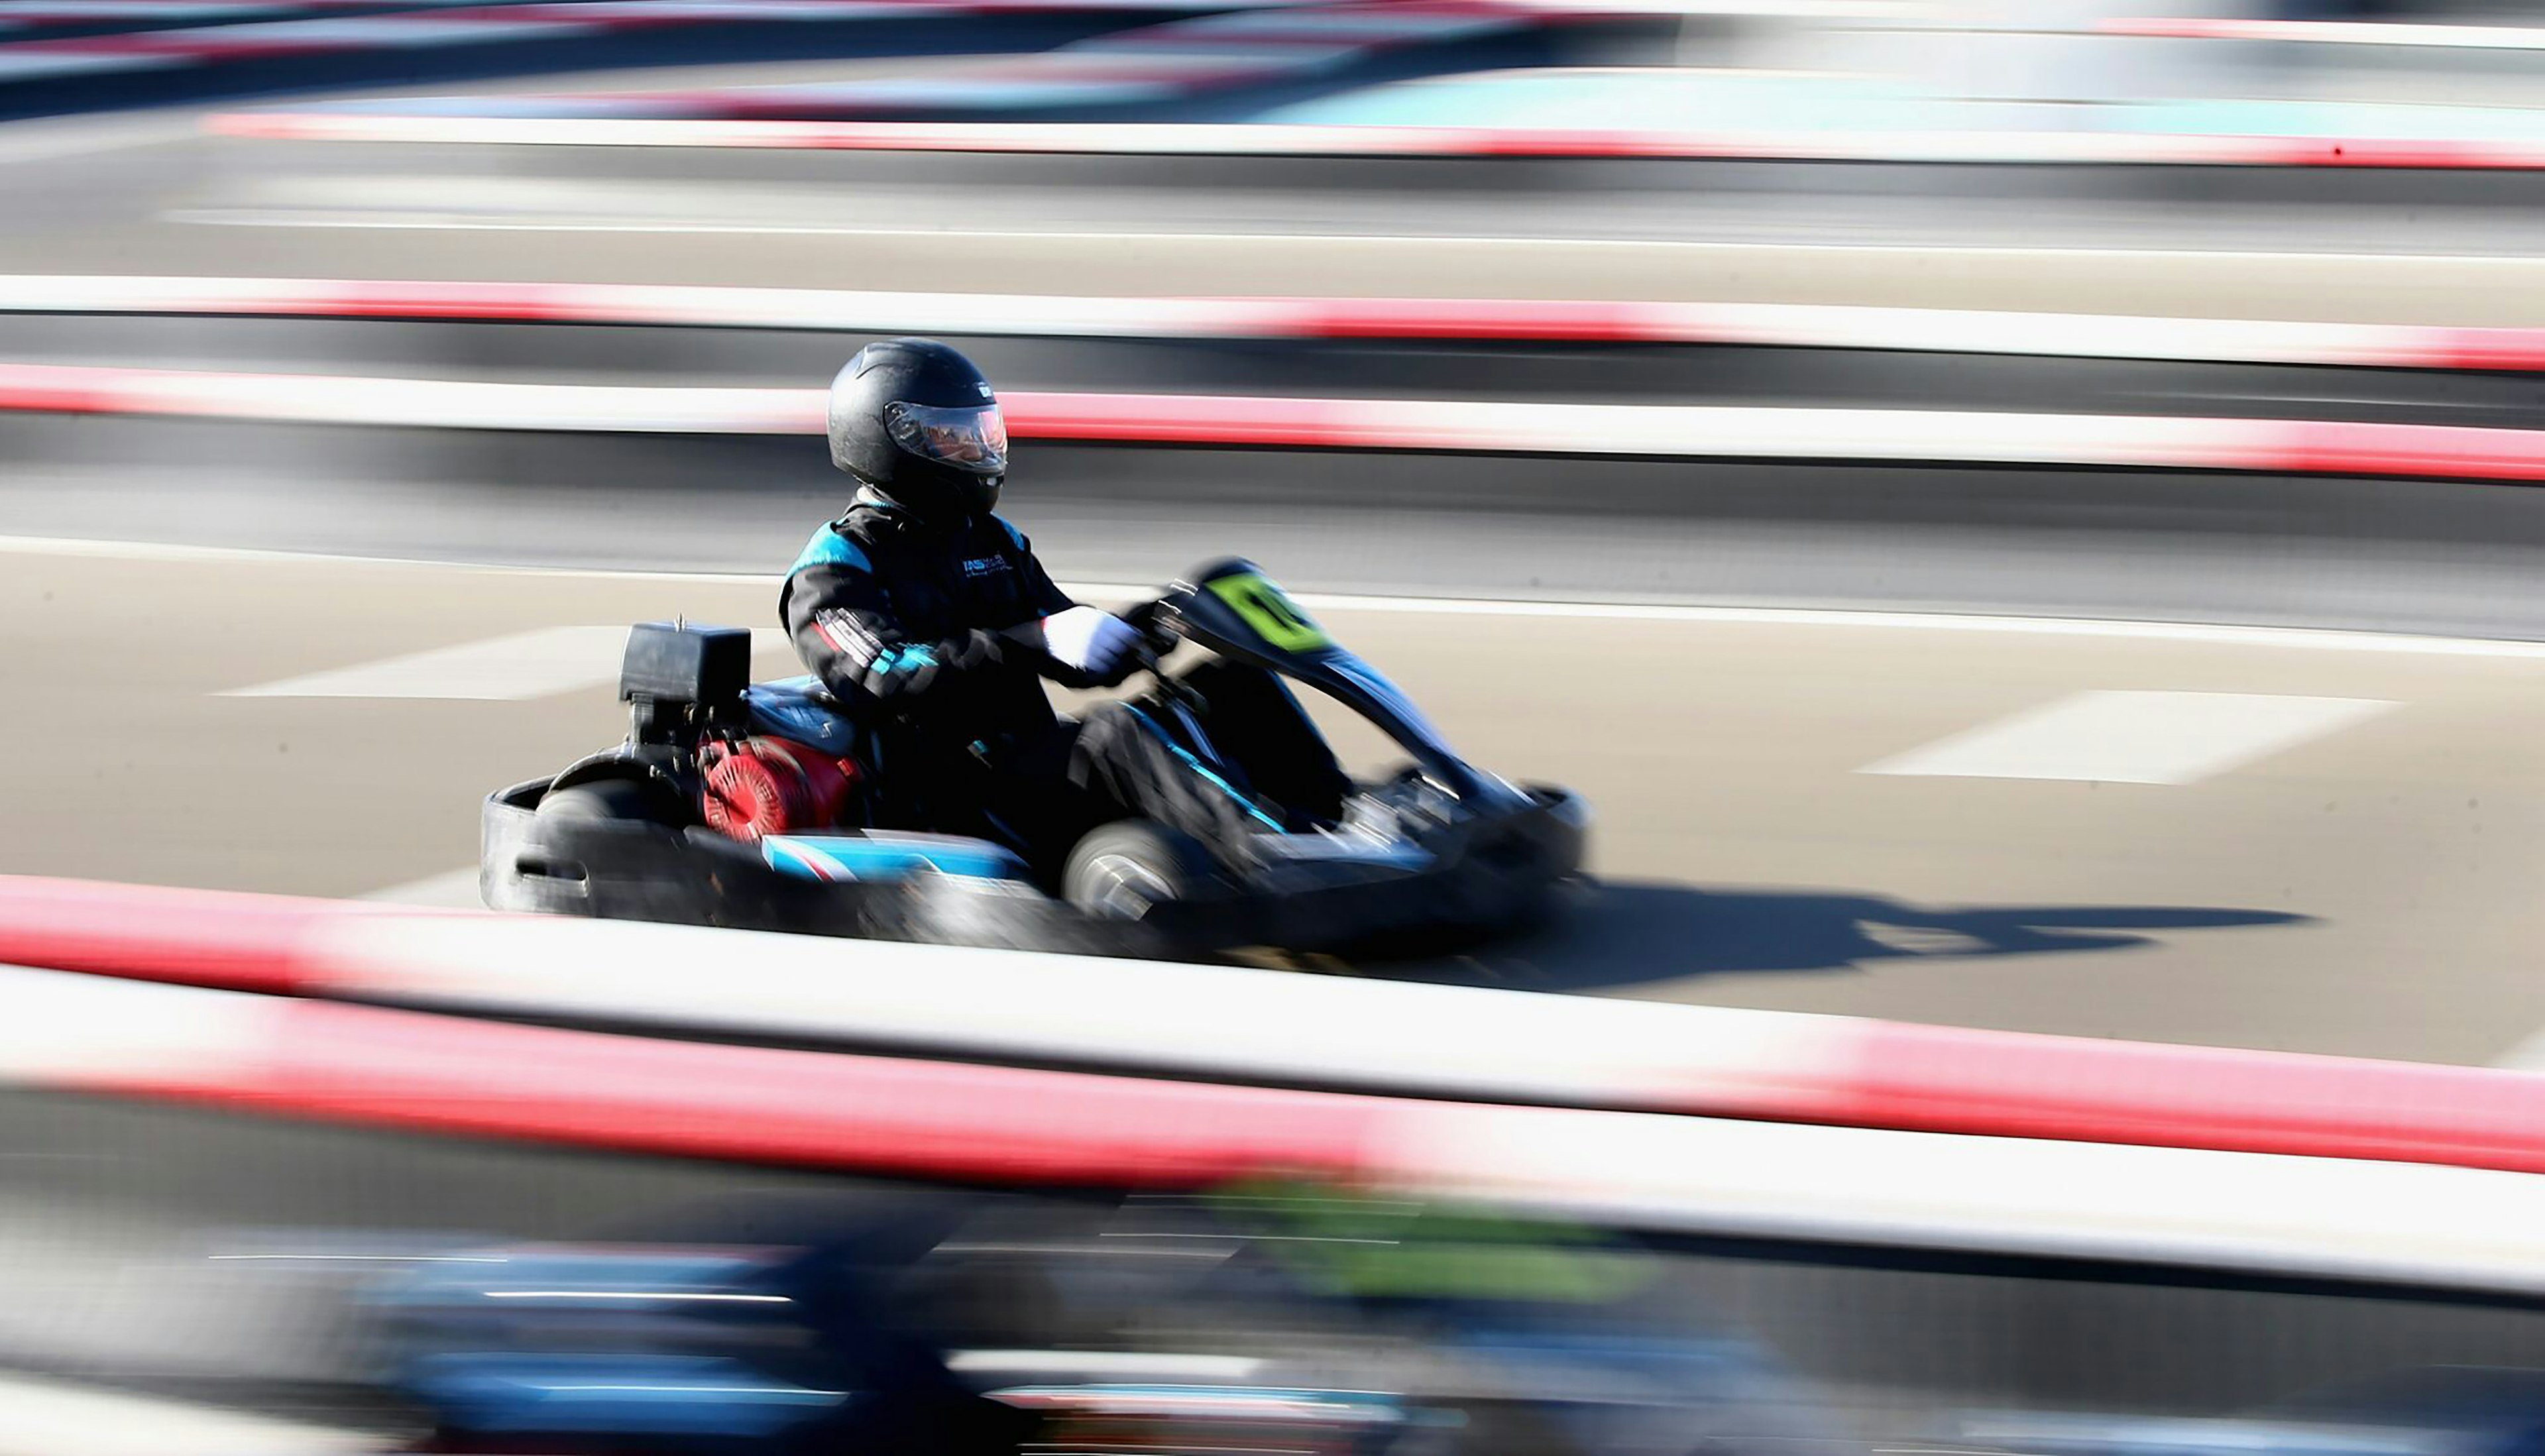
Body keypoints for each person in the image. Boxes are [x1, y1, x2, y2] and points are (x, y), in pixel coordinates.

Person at [780, 338, 1346, 881]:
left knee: (1232, 685)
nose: (976, 452)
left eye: (979, 434)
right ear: (891, 440)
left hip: (1032, 765)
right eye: (952, 437)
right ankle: (1272, 858)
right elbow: (886, 673)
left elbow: (1071, 646)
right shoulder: (835, 565)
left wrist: (1149, 628)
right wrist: (1032, 640)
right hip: (950, 791)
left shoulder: (991, 540)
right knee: (1115, 735)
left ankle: (1342, 821)